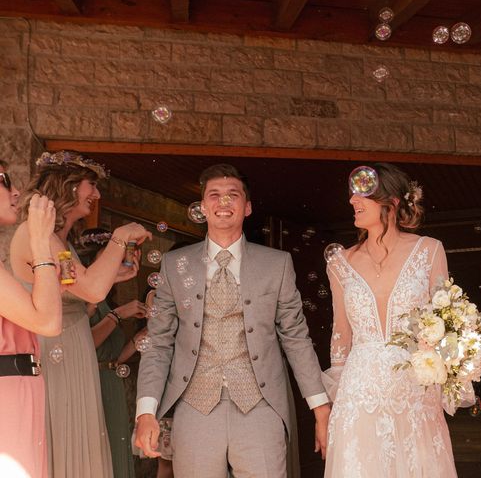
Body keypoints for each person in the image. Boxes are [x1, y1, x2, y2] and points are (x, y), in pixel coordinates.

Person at [135, 163, 330, 477]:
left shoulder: (277, 264)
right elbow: (158, 343)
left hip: (260, 408)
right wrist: (146, 412)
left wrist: (320, 408)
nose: (223, 202)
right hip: (194, 410)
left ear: (247, 206)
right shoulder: (175, 265)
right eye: (214, 195)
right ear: (202, 206)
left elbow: (296, 338)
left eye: (232, 195)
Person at [10, 150, 151, 478]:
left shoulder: (57, 238)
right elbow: (93, 290)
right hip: (54, 352)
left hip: (71, 351)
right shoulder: (38, 234)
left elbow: (78, 285)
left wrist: (115, 272)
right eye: (92, 185)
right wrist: (120, 237)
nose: (97, 195)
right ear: (69, 186)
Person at [323, 163, 457, 477]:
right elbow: (340, 333)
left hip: (414, 388)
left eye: (363, 195)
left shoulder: (429, 250)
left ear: (392, 202)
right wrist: (335, 400)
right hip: (359, 392)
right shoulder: (340, 263)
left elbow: (446, 319)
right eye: (352, 196)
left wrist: (444, 374)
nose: (353, 201)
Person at [0, 159, 61, 478]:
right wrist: (39, 244)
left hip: (18, 387)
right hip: (7, 395)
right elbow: (48, 323)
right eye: (3, 180)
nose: (16, 190)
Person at [79, 228, 148, 478]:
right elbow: (86, 344)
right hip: (90, 385)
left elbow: (112, 360)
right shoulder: (84, 299)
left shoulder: (106, 300)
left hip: (111, 383)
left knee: (116, 451)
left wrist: (139, 340)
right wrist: (119, 315)